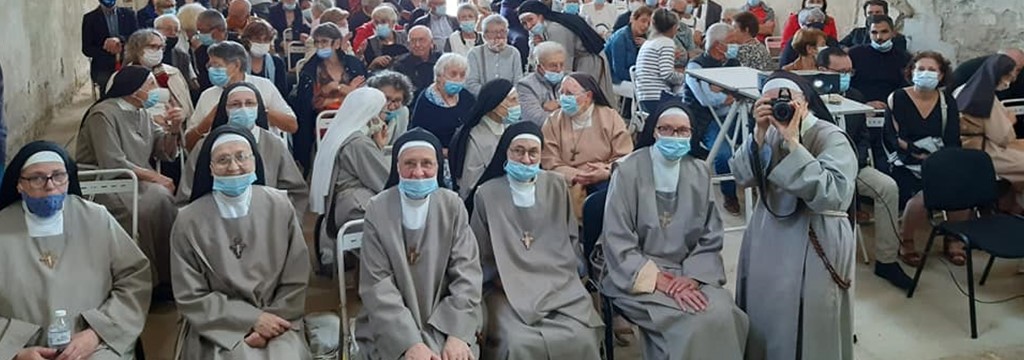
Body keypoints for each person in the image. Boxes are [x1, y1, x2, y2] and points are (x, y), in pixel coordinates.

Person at [601, 102, 749, 359]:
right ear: (654, 131)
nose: (674, 136)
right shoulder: (627, 170)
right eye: (666, 129)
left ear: (691, 135)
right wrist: (659, 281)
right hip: (636, 274)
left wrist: (693, 278)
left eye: (682, 131)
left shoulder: (700, 171)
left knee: (726, 314)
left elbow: (710, 235)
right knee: (691, 323)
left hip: (689, 271)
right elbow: (617, 239)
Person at [730, 73, 857, 360]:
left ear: (805, 102)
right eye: (771, 101)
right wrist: (758, 135)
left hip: (816, 236)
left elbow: (834, 195)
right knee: (766, 312)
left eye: (787, 100)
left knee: (812, 321)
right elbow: (741, 176)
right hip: (769, 235)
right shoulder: (768, 132)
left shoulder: (830, 137)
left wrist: (794, 144)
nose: (780, 107)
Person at [0, 142, 151, 360]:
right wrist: (14, 351)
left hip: (94, 345)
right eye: (36, 178)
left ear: (69, 178)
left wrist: (98, 332)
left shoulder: (97, 218)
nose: (50, 186)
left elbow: (134, 278)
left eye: (58, 176)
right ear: (19, 185)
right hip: (19, 348)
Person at [171, 126, 312, 359]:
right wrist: (250, 320)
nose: (234, 167)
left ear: (255, 161)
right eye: (223, 160)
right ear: (211, 168)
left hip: (278, 320)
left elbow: (295, 277)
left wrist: (269, 323)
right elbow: (190, 295)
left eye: (241, 157)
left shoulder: (280, 206)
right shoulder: (188, 220)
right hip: (216, 327)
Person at [469, 121, 603, 358]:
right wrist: (504, 278)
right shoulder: (487, 193)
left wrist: (564, 275)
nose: (526, 159)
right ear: (506, 153)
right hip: (505, 291)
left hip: (559, 287)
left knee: (581, 337)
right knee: (517, 343)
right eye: (518, 151)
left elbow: (570, 238)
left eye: (533, 152)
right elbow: (479, 254)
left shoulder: (556, 185)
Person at [354, 129, 483, 360]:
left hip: (446, 320)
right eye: (409, 164)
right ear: (397, 167)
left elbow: (467, 273)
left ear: (438, 167)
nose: (418, 172)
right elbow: (377, 284)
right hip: (390, 325)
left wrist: (457, 333)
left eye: (427, 164)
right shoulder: (378, 207)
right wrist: (408, 342)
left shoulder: (452, 206)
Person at [76, 66, 182, 296]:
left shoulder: (141, 111)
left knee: (162, 201)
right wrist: (156, 177)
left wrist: (174, 131)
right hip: (102, 181)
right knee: (142, 210)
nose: (157, 90)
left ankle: (168, 276)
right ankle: (145, 283)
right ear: (134, 89)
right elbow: (112, 161)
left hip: (135, 180)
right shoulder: (102, 114)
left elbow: (163, 150)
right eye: (151, 84)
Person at [816, 46, 912, 289]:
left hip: (853, 166)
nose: (846, 76)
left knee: (887, 187)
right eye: (840, 71)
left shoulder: (855, 97)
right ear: (821, 71)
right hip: (820, 171)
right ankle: (826, 259)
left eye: (850, 71)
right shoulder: (807, 101)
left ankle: (887, 261)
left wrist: (853, 161)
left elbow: (863, 137)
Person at [881, 51, 965, 270]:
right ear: (911, 71)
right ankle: (906, 241)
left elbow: (953, 137)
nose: (925, 73)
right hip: (905, 159)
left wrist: (941, 159)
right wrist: (915, 151)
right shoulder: (898, 97)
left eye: (932, 70)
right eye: (920, 69)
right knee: (923, 195)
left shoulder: (947, 101)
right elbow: (893, 137)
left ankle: (953, 237)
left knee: (960, 188)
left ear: (941, 75)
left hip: (940, 157)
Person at [178, 83, 308, 212]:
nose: (243, 109)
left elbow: (295, 192)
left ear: (259, 108)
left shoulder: (273, 144)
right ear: (224, 110)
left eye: (250, 103)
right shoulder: (206, 146)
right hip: (215, 221)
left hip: (266, 220)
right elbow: (187, 195)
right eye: (235, 104)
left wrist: (280, 221)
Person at [309, 88, 390, 268]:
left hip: (340, 206)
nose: (384, 118)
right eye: (383, 112)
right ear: (372, 115)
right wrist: (378, 148)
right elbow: (385, 182)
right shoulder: (358, 143)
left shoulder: (341, 134)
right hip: (354, 207)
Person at [541, 72, 632, 211]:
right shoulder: (553, 121)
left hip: (604, 178)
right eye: (562, 93)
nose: (564, 98)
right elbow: (549, 161)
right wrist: (577, 175)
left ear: (588, 96)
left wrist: (606, 171)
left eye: (570, 94)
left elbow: (625, 157)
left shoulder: (610, 117)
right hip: (566, 181)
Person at [186, 41, 298, 151]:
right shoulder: (207, 96)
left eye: (217, 65)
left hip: (263, 151)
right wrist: (209, 120)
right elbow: (189, 144)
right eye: (210, 65)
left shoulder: (264, 86)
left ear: (236, 65)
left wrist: (259, 111)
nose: (211, 70)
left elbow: (292, 126)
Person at [294, 23, 369, 171]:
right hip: (324, 119)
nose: (320, 46)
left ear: (336, 43)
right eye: (317, 42)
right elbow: (314, 104)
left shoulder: (353, 64)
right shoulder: (311, 69)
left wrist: (337, 89)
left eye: (324, 41)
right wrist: (347, 91)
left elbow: (364, 96)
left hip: (355, 116)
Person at [684, 22, 741, 215]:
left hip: (735, 117)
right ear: (718, 45)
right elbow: (705, 98)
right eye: (732, 42)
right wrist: (728, 93)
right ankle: (729, 195)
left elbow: (743, 90)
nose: (736, 45)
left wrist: (722, 90)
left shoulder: (733, 63)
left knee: (762, 144)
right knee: (724, 153)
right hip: (706, 120)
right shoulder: (696, 66)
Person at [956, 55, 1024, 213]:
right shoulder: (987, 100)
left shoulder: (964, 88)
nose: (1011, 80)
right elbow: (1003, 137)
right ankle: (1015, 209)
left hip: (968, 148)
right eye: (1009, 76)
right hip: (986, 153)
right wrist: (1010, 120)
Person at [519, 0, 614, 100]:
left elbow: (563, 63)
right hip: (577, 58)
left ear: (541, 16)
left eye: (530, 19)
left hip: (589, 60)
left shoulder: (556, 29)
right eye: (524, 23)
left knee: (586, 97)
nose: (528, 26)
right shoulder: (542, 28)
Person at [449, 79, 520, 198]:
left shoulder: (509, 128)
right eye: (513, 100)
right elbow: (469, 186)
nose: (517, 105)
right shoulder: (474, 138)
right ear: (495, 105)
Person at [124, 29, 195, 123]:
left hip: (170, 128)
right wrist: (151, 118)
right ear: (137, 48)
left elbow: (186, 105)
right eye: (152, 46)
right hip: (139, 127)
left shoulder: (172, 72)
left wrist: (181, 114)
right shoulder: (124, 76)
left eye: (161, 47)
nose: (158, 51)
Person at [950, 49, 1024, 137]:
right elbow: (1002, 137)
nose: (1014, 76)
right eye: (1008, 71)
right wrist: (1009, 121)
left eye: (1018, 70)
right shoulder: (966, 74)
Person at [409, 53, 477, 148]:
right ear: (439, 75)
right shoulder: (426, 100)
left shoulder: (466, 96)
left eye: (462, 75)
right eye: (453, 74)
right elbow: (419, 136)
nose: (458, 79)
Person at [849, 15, 910, 108]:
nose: (879, 37)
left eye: (884, 32)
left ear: (893, 33)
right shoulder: (854, 54)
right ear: (868, 34)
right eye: (874, 32)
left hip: (892, 108)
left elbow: (906, 87)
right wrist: (863, 104)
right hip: (860, 108)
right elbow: (848, 86)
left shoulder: (905, 58)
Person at [82, 0, 140, 97]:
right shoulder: (90, 18)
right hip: (103, 66)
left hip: (127, 61)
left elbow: (136, 38)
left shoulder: (129, 14)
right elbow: (87, 49)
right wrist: (107, 48)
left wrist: (119, 40)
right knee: (107, 94)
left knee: (132, 90)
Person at [635, 9, 686, 113]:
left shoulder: (649, 42)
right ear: (673, 28)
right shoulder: (667, 42)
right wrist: (685, 77)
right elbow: (667, 74)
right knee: (692, 104)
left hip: (644, 97)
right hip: (658, 98)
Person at [604, 5, 651, 114]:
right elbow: (619, 71)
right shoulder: (620, 38)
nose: (645, 26)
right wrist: (639, 79)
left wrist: (646, 45)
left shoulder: (643, 39)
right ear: (632, 19)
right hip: (614, 79)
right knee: (643, 91)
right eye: (643, 21)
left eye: (649, 23)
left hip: (633, 76)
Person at [466, 15, 524, 95]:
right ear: (484, 36)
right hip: (483, 100)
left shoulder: (514, 52)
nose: (499, 36)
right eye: (494, 32)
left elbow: (518, 82)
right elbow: (471, 84)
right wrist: (491, 97)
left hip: (509, 100)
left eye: (502, 31)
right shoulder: (474, 53)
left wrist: (507, 97)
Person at [517, 41, 565, 126]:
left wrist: (559, 103)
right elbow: (537, 119)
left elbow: (584, 111)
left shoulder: (570, 80)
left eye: (561, 64)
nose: (559, 69)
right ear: (539, 66)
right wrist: (569, 118)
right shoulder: (525, 86)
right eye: (553, 65)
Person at [241, 19, 290, 100]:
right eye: (257, 40)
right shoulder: (239, 61)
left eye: (266, 40)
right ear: (247, 40)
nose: (262, 43)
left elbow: (282, 93)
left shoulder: (277, 63)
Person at [391, 26, 443, 100]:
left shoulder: (442, 60)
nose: (417, 45)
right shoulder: (400, 64)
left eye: (422, 40)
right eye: (413, 41)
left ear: (431, 42)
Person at [839, 0, 907, 54]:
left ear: (886, 14)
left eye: (878, 12)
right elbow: (839, 45)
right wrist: (845, 49)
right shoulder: (856, 33)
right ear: (865, 15)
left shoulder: (898, 38)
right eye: (870, 13)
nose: (874, 15)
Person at [367, 70, 416, 144]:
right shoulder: (364, 113)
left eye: (397, 100)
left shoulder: (402, 112)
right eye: (386, 99)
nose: (391, 106)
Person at [155, 14, 199, 93]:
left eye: (176, 30)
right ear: (156, 30)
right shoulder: (149, 53)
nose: (173, 33)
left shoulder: (182, 55)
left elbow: (187, 82)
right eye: (168, 29)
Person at [361, 5, 410, 71]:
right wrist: (374, 62)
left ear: (393, 22)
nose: (379, 25)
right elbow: (366, 71)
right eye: (376, 22)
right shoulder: (370, 43)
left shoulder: (405, 36)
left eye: (383, 22)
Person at [194, 10, 231, 91]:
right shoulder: (200, 52)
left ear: (216, 30)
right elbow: (204, 82)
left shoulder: (238, 44)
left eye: (202, 31)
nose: (200, 34)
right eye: (198, 31)